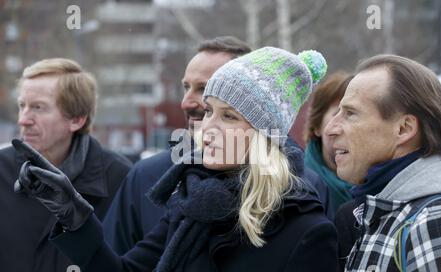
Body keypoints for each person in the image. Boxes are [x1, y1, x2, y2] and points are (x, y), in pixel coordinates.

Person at [14, 47, 339, 272]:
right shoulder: (192, 207)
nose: (207, 128)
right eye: (209, 110)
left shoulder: (306, 232)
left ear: (265, 134)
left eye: (228, 117)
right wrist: (78, 220)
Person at [102, 36, 333, 256]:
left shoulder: (304, 191)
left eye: (203, 88)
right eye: (186, 87)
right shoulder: (150, 176)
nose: (187, 102)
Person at [0, 58, 131, 272]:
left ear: (77, 119)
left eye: (38, 107)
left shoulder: (121, 180)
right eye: (22, 105)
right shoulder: (1, 169)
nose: (23, 119)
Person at [325, 54, 441, 272]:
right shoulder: (382, 211)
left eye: (350, 114)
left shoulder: (435, 221)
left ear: (404, 129)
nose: (330, 129)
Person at [304, 72, 353, 212]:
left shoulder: (386, 186)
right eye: (337, 114)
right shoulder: (295, 185)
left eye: (353, 115)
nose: (348, 128)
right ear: (317, 126)